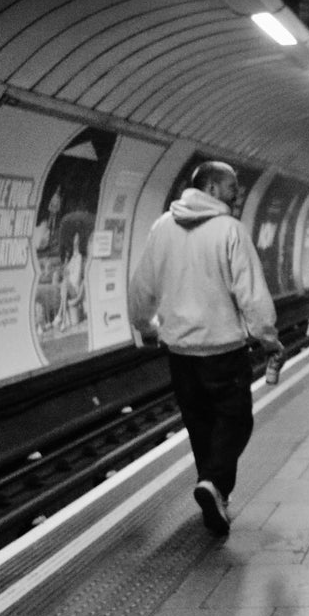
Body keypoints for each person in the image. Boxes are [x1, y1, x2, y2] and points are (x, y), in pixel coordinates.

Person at [128, 161, 282, 533]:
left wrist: (143, 325)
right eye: (231, 187)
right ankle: (213, 484)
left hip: (180, 352)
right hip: (223, 349)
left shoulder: (162, 227)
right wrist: (267, 335)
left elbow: (142, 285)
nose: (237, 194)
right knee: (236, 420)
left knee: (200, 425)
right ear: (211, 188)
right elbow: (250, 290)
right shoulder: (230, 230)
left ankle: (215, 496)